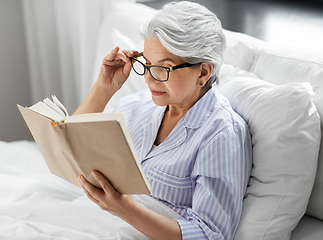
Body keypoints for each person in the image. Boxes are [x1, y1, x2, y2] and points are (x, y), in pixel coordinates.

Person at [74, 1, 252, 239]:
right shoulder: (140, 106)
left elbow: (211, 234)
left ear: (203, 72)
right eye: (146, 64)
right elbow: (73, 145)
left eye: (163, 69)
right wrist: (103, 89)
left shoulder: (220, 135)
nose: (149, 79)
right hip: (93, 222)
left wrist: (125, 210)